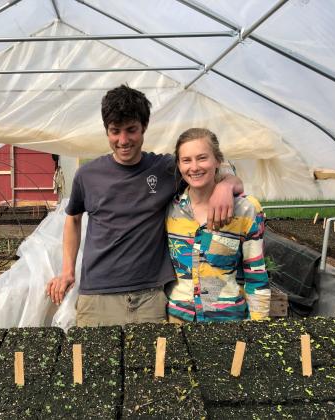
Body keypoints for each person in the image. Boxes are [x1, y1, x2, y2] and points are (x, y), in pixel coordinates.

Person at [46, 85, 243, 327]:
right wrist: (67, 270)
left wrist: (226, 185)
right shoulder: (88, 175)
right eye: (115, 131)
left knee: (153, 364)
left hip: (150, 297)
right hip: (98, 296)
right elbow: (73, 218)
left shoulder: (165, 169)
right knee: (97, 364)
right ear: (106, 131)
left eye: (131, 130)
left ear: (144, 128)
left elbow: (210, 167)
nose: (123, 140)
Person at [166, 128, 270, 323]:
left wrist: (259, 326)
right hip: (177, 321)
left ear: (217, 161)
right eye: (186, 160)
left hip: (227, 322)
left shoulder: (245, 210)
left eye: (202, 158)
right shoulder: (170, 210)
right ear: (179, 165)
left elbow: (256, 276)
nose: (194, 167)